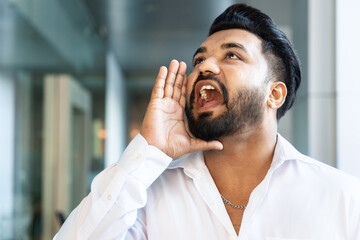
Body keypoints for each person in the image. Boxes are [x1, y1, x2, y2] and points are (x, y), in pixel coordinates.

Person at [55, 3, 360, 239]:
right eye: (199, 59)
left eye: (232, 56)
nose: (204, 67)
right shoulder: (147, 197)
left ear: (275, 94)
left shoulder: (343, 199)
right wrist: (149, 150)